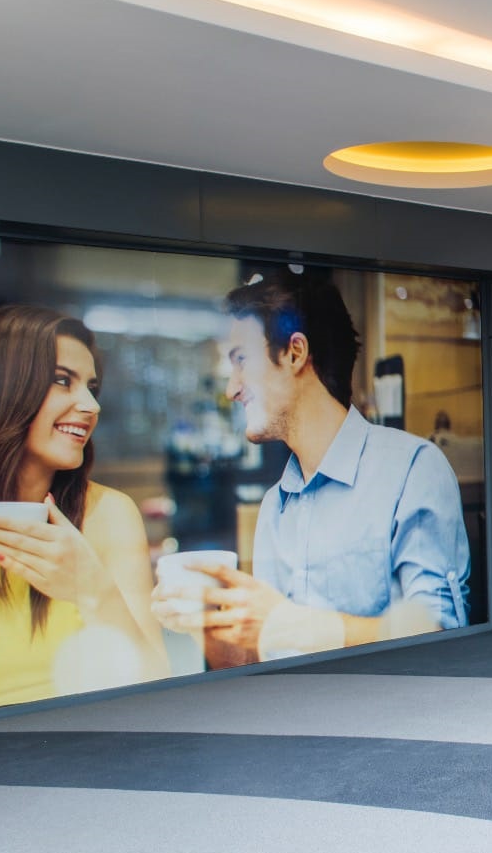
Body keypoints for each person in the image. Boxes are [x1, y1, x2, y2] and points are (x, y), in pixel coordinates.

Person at [153, 278, 469, 666]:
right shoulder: (275, 506)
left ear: (294, 353)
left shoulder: (412, 469)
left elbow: (441, 638)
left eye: (241, 360)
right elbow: (261, 664)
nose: (231, 389)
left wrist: (287, 624)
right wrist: (203, 621)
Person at [0, 306, 168, 712]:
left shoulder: (109, 514)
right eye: (62, 381)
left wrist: (93, 590)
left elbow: (161, 696)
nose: (91, 405)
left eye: (91, 387)